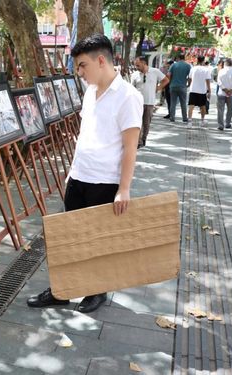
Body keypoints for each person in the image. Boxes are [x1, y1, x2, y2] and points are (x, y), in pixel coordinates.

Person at [26, 34, 143, 314]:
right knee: (69, 237)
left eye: (82, 66)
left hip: (105, 181)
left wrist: (123, 189)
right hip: (79, 176)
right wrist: (72, 171)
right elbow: (86, 134)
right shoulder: (91, 92)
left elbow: (130, 148)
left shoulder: (129, 97)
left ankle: (96, 291)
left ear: (101, 61)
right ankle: (61, 290)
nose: (79, 72)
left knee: (96, 239)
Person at [131, 56, 169, 148]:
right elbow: (131, 89)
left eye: (138, 65)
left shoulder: (154, 71)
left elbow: (166, 80)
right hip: (138, 103)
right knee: (137, 123)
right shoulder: (135, 75)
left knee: (146, 123)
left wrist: (158, 88)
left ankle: (144, 138)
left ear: (144, 63)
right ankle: (138, 141)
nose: (137, 67)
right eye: (136, 66)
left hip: (150, 102)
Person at [187, 55, 211, 126]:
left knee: (191, 106)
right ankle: (202, 121)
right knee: (202, 106)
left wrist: (189, 85)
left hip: (193, 89)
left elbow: (190, 79)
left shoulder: (193, 68)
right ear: (203, 61)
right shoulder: (206, 69)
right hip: (202, 90)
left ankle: (190, 122)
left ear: (197, 60)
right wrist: (209, 90)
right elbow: (208, 81)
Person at [167, 54, 191, 123]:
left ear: (178, 58)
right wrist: (188, 84)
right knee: (183, 103)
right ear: (184, 58)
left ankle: (172, 118)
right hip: (183, 86)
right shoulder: (187, 66)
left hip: (173, 86)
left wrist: (170, 82)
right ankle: (184, 118)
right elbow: (190, 77)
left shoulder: (173, 65)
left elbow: (168, 75)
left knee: (173, 102)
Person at [216, 58, 232, 131]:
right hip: (231, 93)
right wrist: (231, 90)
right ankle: (227, 123)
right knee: (230, 109)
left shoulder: (221, 71)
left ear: (225, 64)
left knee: (220, 110)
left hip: (221, 93)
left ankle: (220, 125)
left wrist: (224, 89)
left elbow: (219, 81)